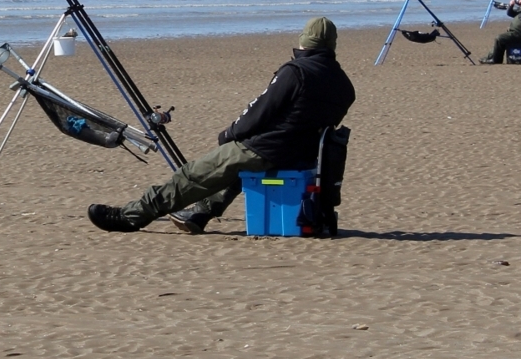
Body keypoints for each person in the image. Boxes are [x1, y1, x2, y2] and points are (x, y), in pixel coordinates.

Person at [87, 17, 355, 234]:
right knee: (237, 168)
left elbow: (260, 110)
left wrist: (230, 133)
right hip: (303, 156)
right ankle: (200, 213)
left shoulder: (296, 72)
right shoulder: (345, 86)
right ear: (332, 45)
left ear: (304, 42)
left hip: (269, 149)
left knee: (192, 175)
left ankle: (131, 216)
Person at [478, 0, 521, 64]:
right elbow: (510, 13)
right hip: (514, 33)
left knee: (499, 38)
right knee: (501, 40)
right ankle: (491, 57)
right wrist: (511, 5)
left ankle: (495, 60)